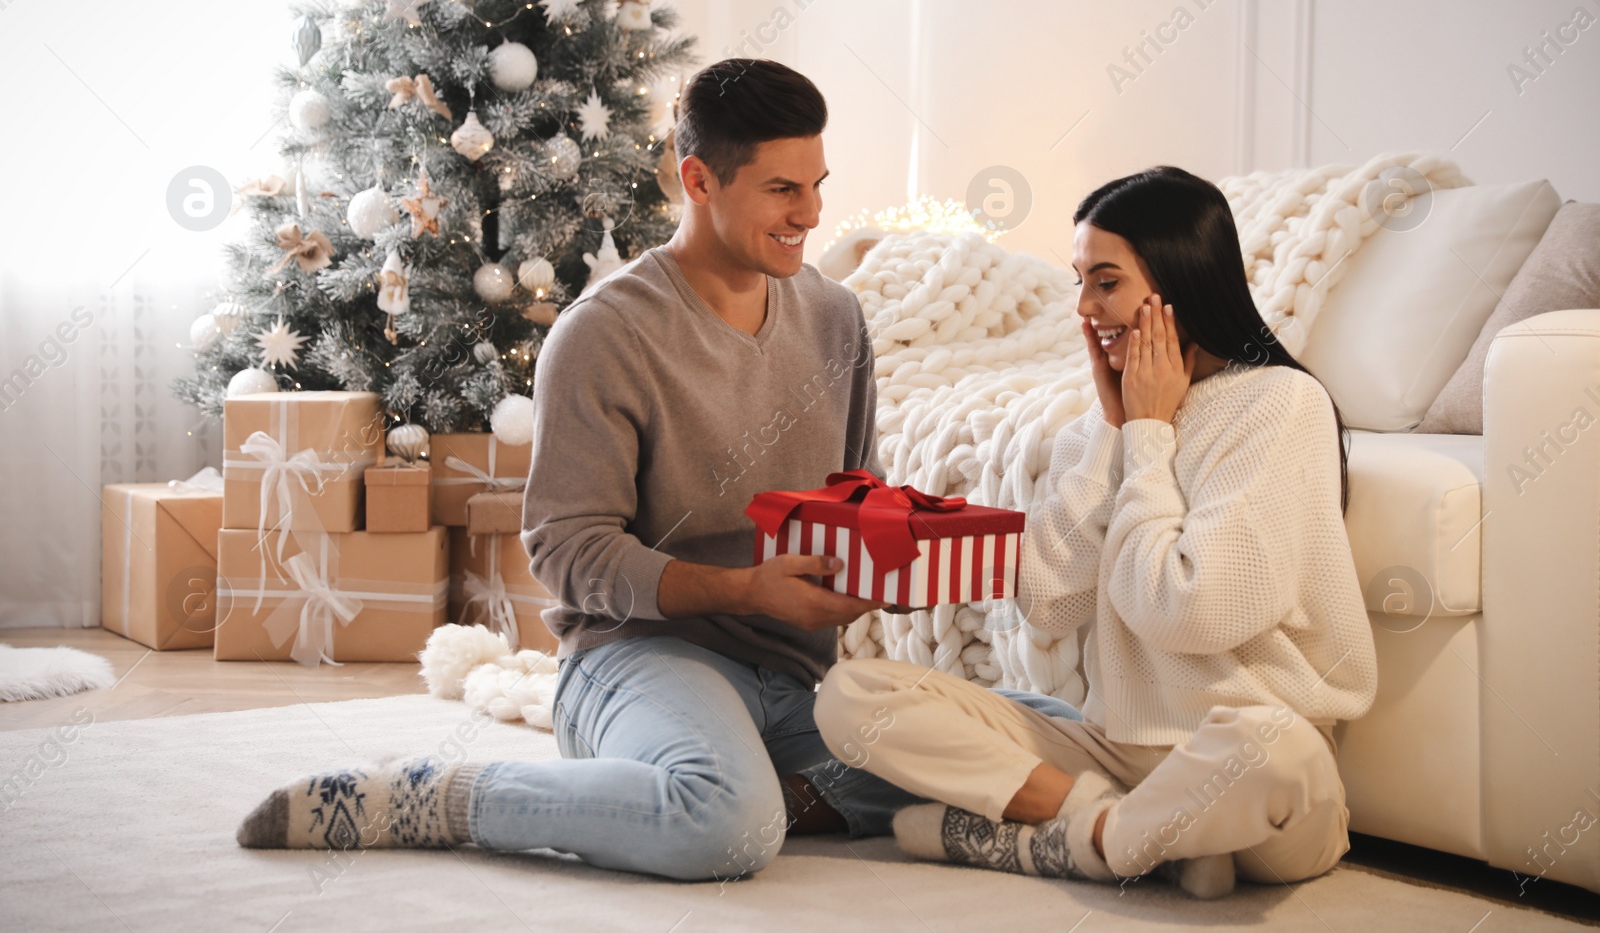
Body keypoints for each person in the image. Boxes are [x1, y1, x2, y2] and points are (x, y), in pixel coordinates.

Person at [234, 59, 1070, 881]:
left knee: (1052, 732)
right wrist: (745, 590)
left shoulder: (834, 316)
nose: (810, 213)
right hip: (640, 659)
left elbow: (858, 495)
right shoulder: (605, 334)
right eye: (783, 189)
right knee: (727, 830)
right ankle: (444, 796)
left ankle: (767, 793)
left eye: (817, 183)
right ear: (698, 178)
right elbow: (567, 551)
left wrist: (912, 553)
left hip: (798, 679)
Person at [814, 166, 1378, 899]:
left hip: (1241, 763)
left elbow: (1190, 609)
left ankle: (1070, 845)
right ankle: (1123, 829)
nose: (1083, 307)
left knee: (1276, 749)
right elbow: (1048, 601)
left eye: (1105, 281)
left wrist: (1148, 435)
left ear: (1177, 280)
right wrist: (1116, 431)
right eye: (1079, 280)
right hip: (1110, 755)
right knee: (851, 695)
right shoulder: (1101, 427)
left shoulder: (1278, 404)